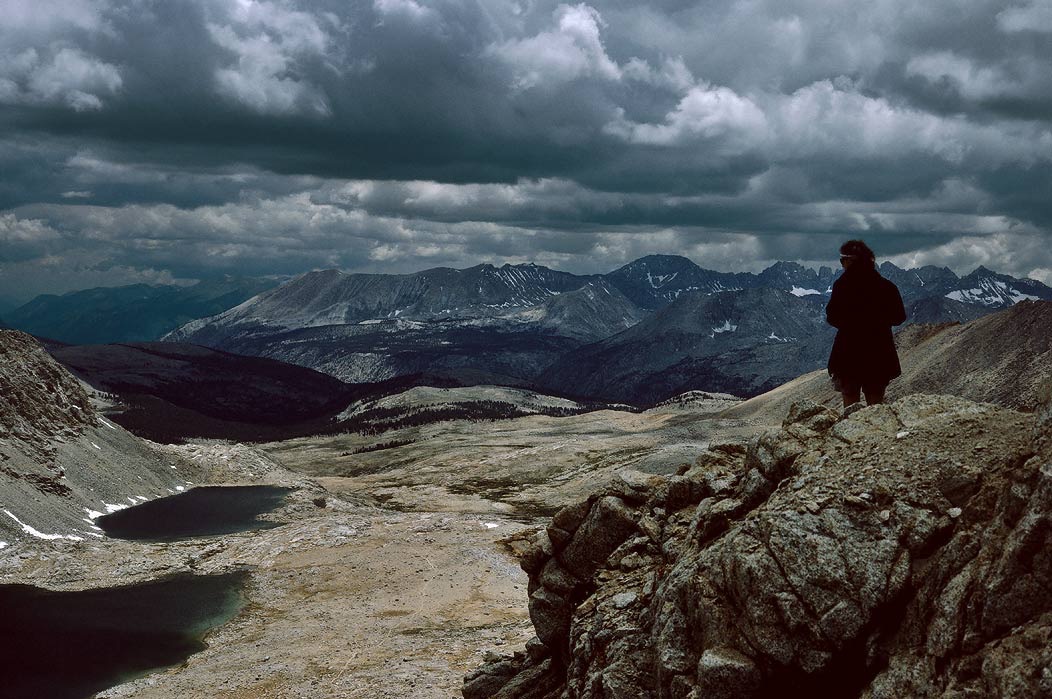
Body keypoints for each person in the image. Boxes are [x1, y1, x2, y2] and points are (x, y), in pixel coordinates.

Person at [825, 240, 906, 408]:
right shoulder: (886, 286)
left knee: (850, 402)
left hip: (848, 351)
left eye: (842, 260)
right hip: (879, 350)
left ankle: (848, 432)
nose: (841, 264)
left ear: (850, 260)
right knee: (875, 403)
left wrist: (850, 324)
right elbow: (899, 317)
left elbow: (832, 316)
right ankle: (875, 432)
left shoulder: (841, 286)